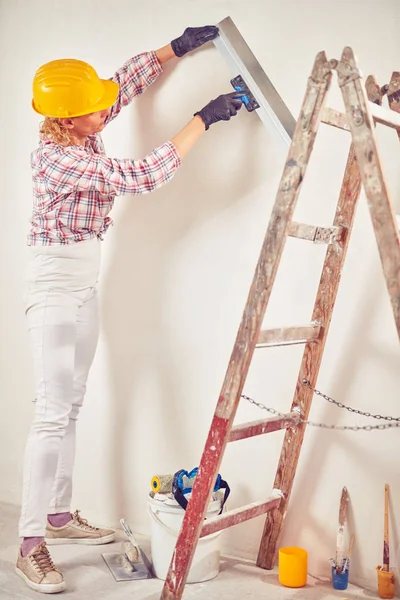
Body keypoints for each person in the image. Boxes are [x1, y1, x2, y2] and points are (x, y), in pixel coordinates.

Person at [16, 25, 242, 594]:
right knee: (50, 410)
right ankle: (29, 543)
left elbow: (125, 82)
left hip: (85, 283)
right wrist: (203, 118)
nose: (105, 110)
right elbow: (144, 174)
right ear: (67, 120)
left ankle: (61, 518)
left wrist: (178, 46)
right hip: (53, 288)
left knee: (72, 403)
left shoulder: (82, 124)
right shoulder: (59, 162)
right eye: (93, 111)